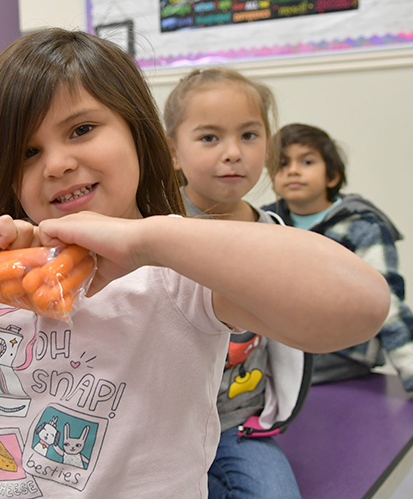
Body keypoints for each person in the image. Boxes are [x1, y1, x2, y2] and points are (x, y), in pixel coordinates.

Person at [0, 29, 390, 497]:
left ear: (139, 135)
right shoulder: (1, 279)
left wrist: (156, 238)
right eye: (26, 152)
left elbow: (358, 307)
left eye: (81, 129)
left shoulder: (178, 271)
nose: (56, 164)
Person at [164, 67, 308, 498]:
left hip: (238, 424)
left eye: (249, 135)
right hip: (162, 428)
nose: (233, 153)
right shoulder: (155, 229)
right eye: (209, 138)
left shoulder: (276, 233)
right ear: (173, 150)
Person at [263, 123, 413, 408]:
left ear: (332, 176)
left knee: (272, 377)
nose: (292, 170)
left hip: (342, 351)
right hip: (283, 341)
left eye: (306, 161)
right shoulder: (267, 221)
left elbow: (387, 304)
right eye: (282, 164)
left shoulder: (363, 227)